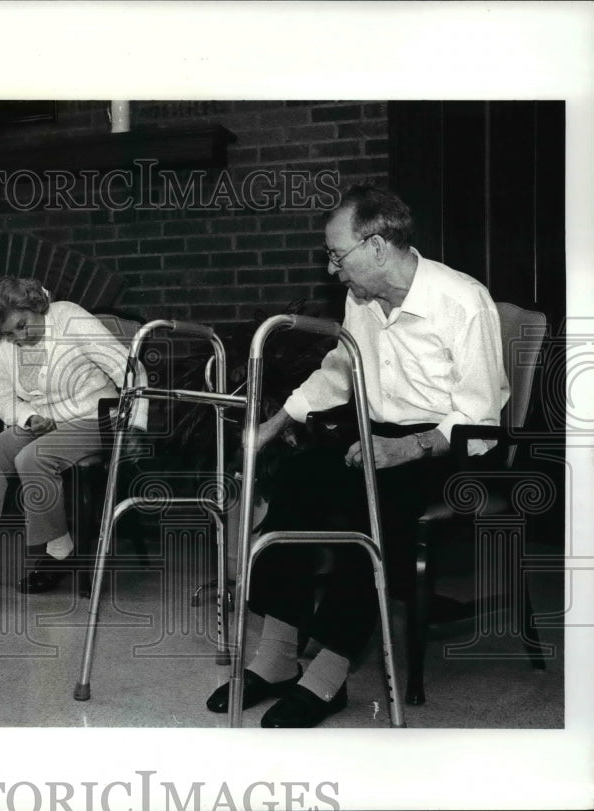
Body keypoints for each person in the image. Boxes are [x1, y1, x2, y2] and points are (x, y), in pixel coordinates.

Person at [205, 184, 508, 727]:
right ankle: (276, 657)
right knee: (297, 482)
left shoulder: (462, 301)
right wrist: (273, 424)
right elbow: (339, 372)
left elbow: (481, 418)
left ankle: (328, 674)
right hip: (376, 437)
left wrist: (406, 448)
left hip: (449, 448)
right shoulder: (362, 300)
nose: (331, 269)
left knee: (373, 508)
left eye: (336, 254)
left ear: (376, 246)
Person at [0, 276, 146, 612]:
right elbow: (2, 400)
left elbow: (131, 371)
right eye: (9, 336)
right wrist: (28, 416)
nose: (19, 338)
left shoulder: (69, 318)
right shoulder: (6, 343)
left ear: (34, 306)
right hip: (42, 423)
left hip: (94, 418)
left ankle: (57, 553)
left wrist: (137, 426)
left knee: (33, 457)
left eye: (22, 325)